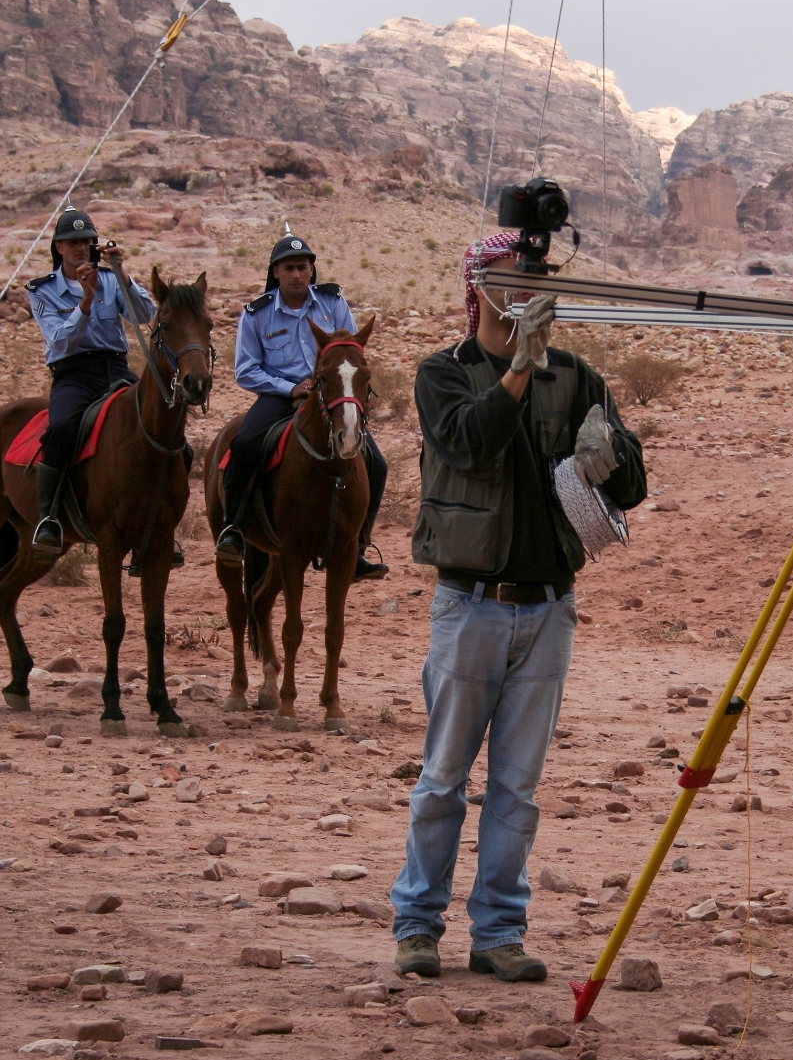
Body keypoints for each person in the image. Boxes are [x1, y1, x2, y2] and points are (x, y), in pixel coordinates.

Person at [388, 232, 648, 982]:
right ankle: (417, 926)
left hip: (547, 606)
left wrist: (612, 457)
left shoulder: (578, 377)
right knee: (443, 776)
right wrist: (517, 373)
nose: (533, 283)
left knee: (516, 786)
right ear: (482, 283)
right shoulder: (444, 372)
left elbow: (628, 483)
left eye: (539, 274)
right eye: (518, 273)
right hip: (468, 603)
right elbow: (466, 442)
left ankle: (498, 931)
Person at [215, 231, 389, 579]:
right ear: (276, 272)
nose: (296, 274)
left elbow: (352, 349)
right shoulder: (257, 312)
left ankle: (357, 546)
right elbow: (245, 370)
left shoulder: (332, 303)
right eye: (289, 268)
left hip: (332, 396)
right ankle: (234, 529)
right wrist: (290, 387)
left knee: (376, 462)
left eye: (303, 267)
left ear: (312, 271)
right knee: (246, 444)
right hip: (279, 397)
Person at [25, 205, 154, 559]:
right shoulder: (42, 290)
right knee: (63, 428)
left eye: (86, 241)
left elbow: (146, 315)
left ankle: (158, 521)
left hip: (115, 369)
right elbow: (59, 341)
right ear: (59, 248)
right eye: (72, 241)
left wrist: (122, 272)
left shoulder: (110, 280)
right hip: (74, 374)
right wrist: (85, 300)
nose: (81, 247)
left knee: (158, 424)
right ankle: (49, 516)